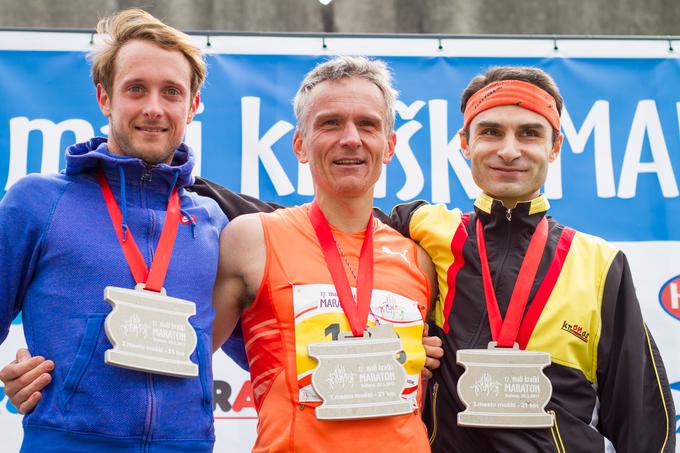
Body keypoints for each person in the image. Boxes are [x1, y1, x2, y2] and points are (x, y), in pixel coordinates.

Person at [388, 67, 676, 452]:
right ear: (465, 143)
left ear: (555, 145)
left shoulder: (598, 262)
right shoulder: (427, 228)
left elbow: (641, 418)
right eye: (490, 131)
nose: (509, 150)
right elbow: (329, 224)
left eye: (529, 133)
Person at [0, 8, 239, 452]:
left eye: (171, 92)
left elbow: (269, 346)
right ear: (104, 99)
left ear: (193, 105)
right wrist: (11, 373)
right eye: (136, 89)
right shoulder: (37, 202)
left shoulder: (214, 223)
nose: (153, 108)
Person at [209, 56, 437, 452]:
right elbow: (184, 358)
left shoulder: (418, 260)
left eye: (367, 124)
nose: (351, 138)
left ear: (389, 146)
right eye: (330, 123)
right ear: (300, 144)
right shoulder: (253, 239)